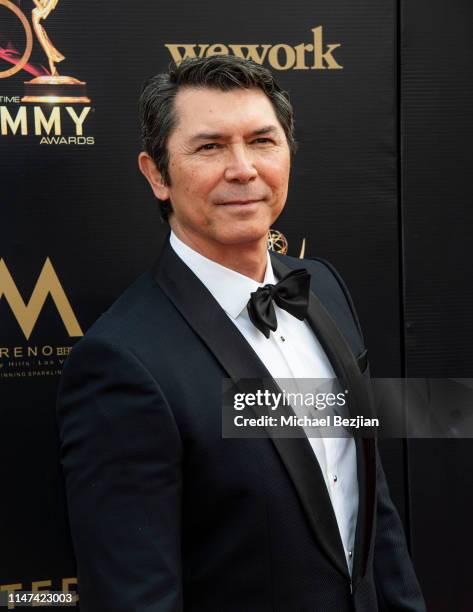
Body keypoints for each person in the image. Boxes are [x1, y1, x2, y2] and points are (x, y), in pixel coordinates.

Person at [56, 55, 426, 611]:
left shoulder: (323, 288)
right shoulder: (123, 361)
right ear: (157, 174)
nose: (243, 169)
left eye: (262, 141)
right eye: (209, 147)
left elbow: (370, 505)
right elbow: (135, 596)